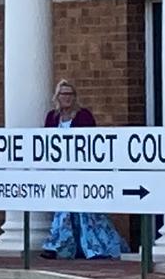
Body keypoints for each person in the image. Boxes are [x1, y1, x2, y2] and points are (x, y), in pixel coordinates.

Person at [41, 79, 128, 260]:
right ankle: (59, 245)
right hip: (60, 170)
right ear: (57, 97)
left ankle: (96, 246)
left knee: (85, 211)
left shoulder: (83, 116)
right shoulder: (52, 117)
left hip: (80, 170)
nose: (67, 98)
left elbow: (92, 141)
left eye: (70, 94)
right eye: (63, 94)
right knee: (62, 207)